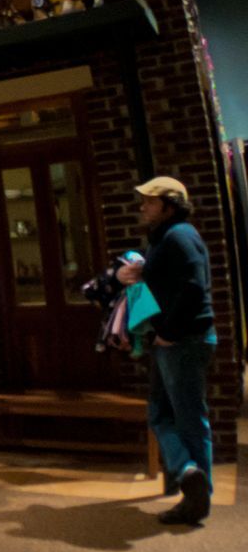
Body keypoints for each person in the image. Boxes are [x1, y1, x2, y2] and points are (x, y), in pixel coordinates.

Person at [118, 176, 217, 525]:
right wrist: (141, 272)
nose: (142, 206)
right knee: (167, 414)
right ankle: (191, 480)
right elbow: (174, 280)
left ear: (169, 204)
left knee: (185, 419)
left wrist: (170, 333)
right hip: (176, 340)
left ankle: (192, 486)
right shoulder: (167, 238)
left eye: (150, 200)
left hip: (181, 341)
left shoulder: (179, 235)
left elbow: (194, 286)